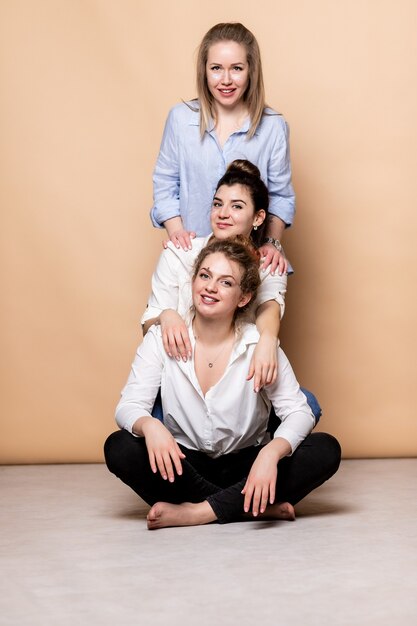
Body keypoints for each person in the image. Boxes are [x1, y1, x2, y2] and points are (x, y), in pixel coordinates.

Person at [104, 237, 341, 529]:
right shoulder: (160, 338)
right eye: (205, 275)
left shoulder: (258, 345)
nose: (210, 287)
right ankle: (246, 507)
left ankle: (196, 513)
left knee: (326, 449)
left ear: (243, 298)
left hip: (246, 464)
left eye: (226, 282)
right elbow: (128, 405)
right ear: (193, 281)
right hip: (184, 463)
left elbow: (299, 411)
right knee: (119, 446)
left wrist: (271, 452)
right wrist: (150, 426)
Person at [144, 159, 321, 420]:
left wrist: (268, 340)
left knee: (308, 406)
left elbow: (269, 305)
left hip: (239, 387)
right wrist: (166, 315)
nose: (223, 213)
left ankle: (251, 452)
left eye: (236, 206)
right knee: (140, 429)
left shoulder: (269, 261)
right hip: (181, 380)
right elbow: (148, 328)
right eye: (217, 204)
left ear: (259, 217)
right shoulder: (180, 252)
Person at [151, 22, 294, 276]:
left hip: (249, 263)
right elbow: (165, 182)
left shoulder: (273, 126)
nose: (226, 80)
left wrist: (272, 242)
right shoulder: (180, 120)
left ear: (251, 71)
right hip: (190, 259)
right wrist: (178, 236)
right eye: (216, 68)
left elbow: (281, 197)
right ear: (204, 71)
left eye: (236, 68)